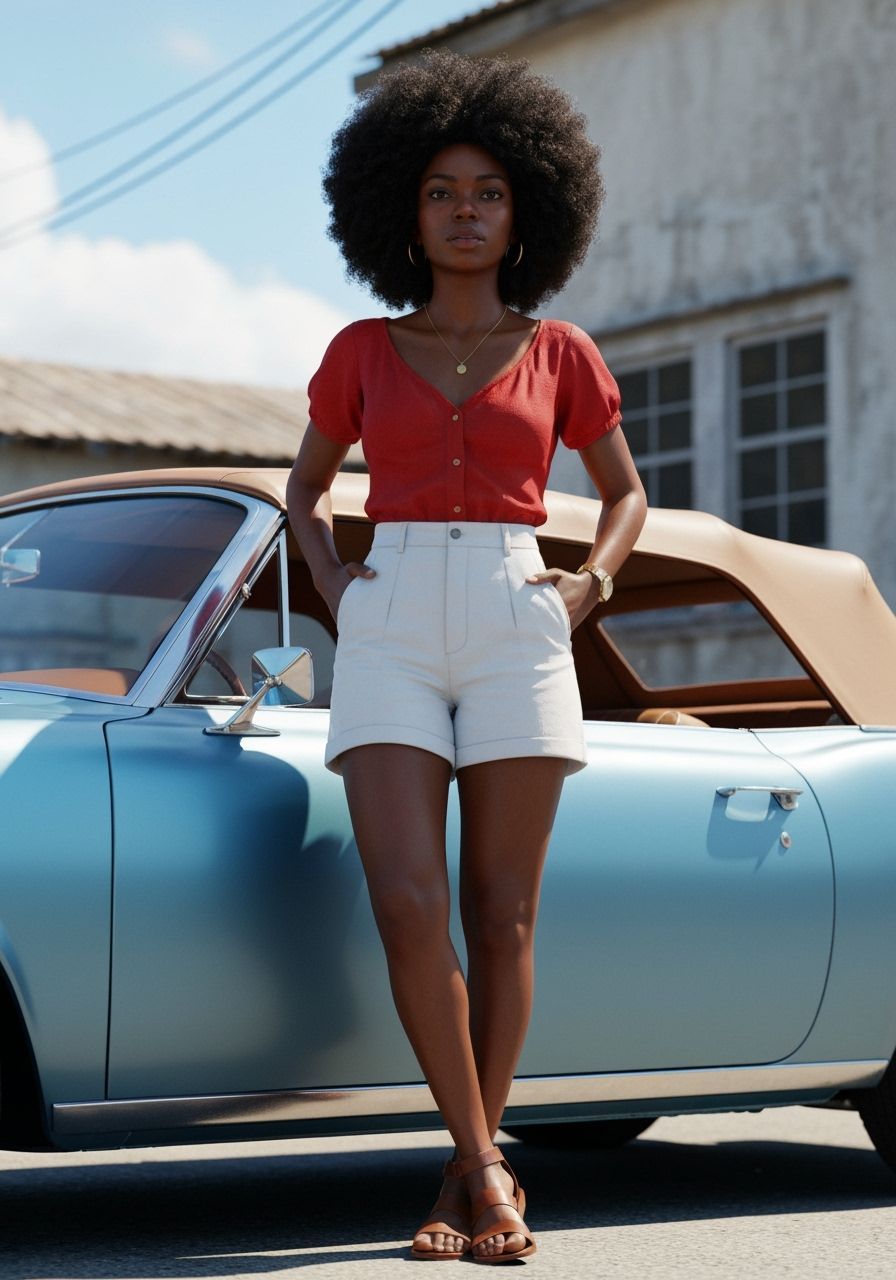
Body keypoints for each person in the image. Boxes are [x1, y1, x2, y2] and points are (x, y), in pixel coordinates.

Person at [286, 49, 647, 1264]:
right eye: (440, 191)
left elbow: (625, 494)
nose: (463, 211)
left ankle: (465, 1168)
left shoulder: (561, 351)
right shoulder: (358, 348)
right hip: (387, 613)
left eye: (486, 191)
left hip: (515, 611)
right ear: (403, 212)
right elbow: (304, 490)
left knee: (503, 913)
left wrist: (589, 584)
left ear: (523, 210)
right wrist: (333, 582)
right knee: (405, 900)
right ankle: (490, 1162)